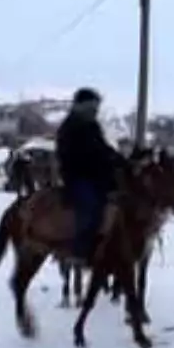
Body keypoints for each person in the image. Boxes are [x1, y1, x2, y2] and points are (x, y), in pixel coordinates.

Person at [55, 87, 126, 262]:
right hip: (78, 176)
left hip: (98, 175)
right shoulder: (70, 127)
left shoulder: (92, 125)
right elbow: (74, 154)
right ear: (82, 107)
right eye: (93, 108)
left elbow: (102, 147)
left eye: (97, 108)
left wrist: (120, 160)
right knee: (90, 206)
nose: (95, 111)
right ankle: (79, 249)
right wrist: (99, 161)